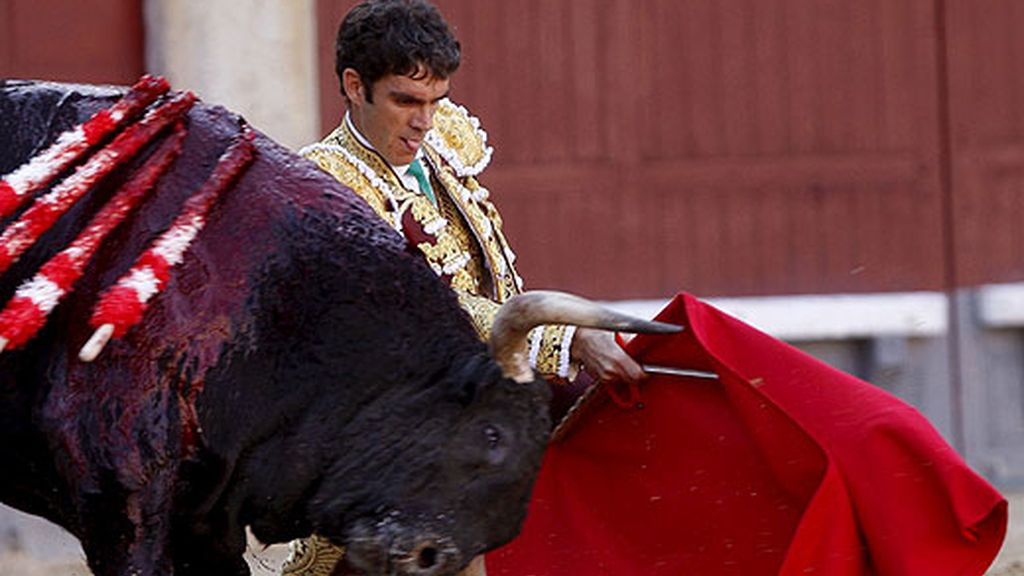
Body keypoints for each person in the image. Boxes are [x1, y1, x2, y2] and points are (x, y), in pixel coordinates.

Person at [281, 1, 645, 573]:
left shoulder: (437, 148)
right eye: (406, 100)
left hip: (477, 411)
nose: (424, 122)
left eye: (435, 101)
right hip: (396, 438)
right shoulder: (326, 187)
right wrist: (563, 338)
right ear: (355, 86)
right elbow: (423, 305)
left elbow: (490, 276)